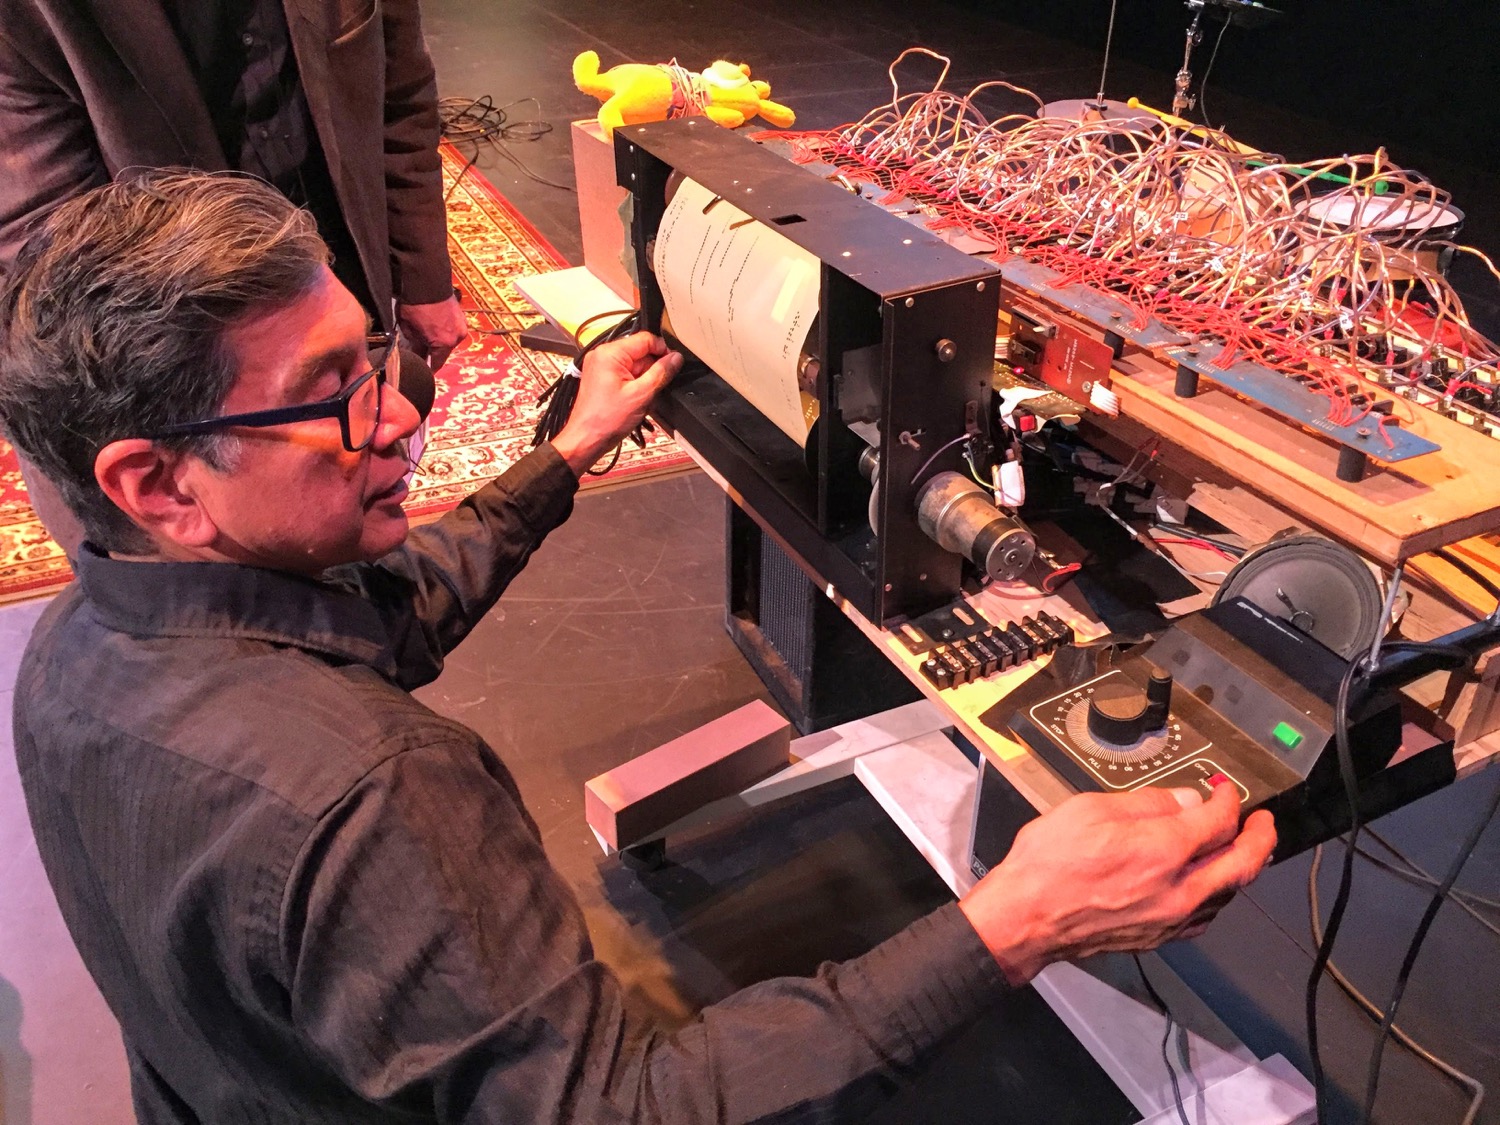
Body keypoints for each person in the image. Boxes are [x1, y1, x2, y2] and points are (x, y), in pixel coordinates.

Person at [0, 171, 1277, 1124]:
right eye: (333, 395)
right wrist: (1021, 918)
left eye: (373, 356)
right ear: (157, 484)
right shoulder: (370, 794)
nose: (396, 419)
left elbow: (382, 614)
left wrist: (564, 454)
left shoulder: (84, 640)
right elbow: (628, 1113)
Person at [0, 0, 467, 553]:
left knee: (354, 546)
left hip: (336, 287)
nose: (405, 419)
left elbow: (401, 100)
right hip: (170, 377)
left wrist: (422, 278)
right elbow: (51, 262)